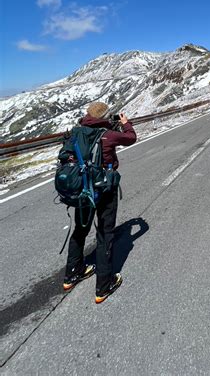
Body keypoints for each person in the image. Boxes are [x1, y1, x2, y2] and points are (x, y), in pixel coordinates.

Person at [63, 101, 137, 303]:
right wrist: (126, 124)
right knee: (105, 233)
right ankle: (103, 285)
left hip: (81, 189)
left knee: (80, 229)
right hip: (103, 188)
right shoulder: (108, 135)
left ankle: (72, 273)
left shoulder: (76, 132)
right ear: (105, 116)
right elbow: (131, 138)